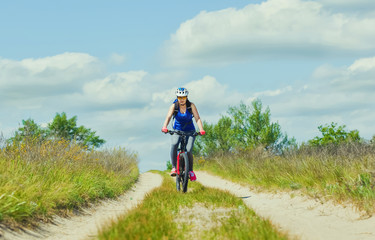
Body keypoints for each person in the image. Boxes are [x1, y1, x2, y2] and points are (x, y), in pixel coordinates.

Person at [161, 87, 205, 181]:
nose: (181, 100)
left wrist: (201, 129)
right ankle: (174, 167)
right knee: (174, 143)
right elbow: (168, 117)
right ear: (177, 97)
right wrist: (165, 126)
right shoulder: (174, 106)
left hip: (190, 131)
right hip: (177, 130)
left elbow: (197, 118)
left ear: (186, 97)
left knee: (189, 150)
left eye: (183, 97)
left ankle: (190, 171)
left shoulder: (191, 106)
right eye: (180, 97)